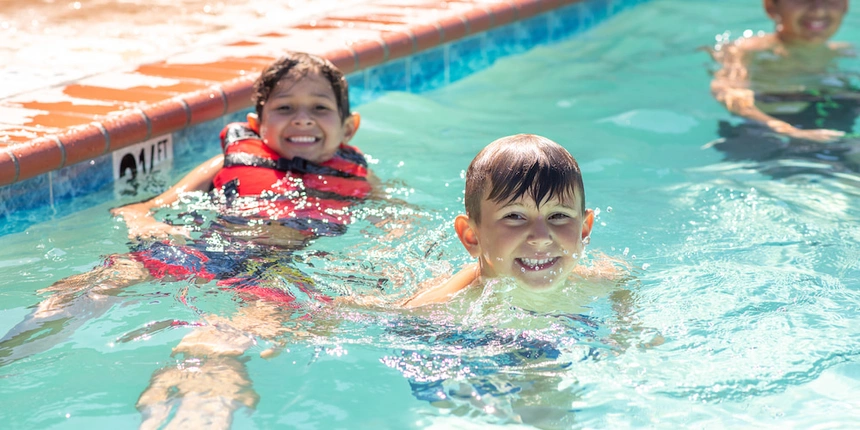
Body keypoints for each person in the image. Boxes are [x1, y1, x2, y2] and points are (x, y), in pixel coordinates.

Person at [0, 51, 388, 428]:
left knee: (224, 339)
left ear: (348, 126)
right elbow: (143, 208)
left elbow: (394, 223)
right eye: (285, 109)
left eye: (319, 108)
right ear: (257, 123)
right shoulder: (228, 162)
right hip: (203, 249)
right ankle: (17, 344)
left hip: (277, 274)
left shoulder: (361, 179)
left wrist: (383, 252)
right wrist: (150, 225)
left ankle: (201, 402)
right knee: (98, 284)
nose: (302, 120)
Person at [710, 0, 855, 145]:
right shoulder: (746, 51)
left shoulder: (847, 53)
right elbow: (728, 94)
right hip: (764, 134)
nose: (818, 10)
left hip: (828, 124)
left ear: (845, 6)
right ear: (771, 7)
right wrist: (790, 131)